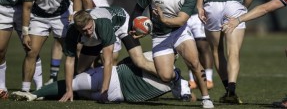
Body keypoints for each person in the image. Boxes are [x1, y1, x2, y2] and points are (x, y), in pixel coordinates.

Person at [129, 0, 214, 108]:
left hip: (179, 32)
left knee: (194, 62)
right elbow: (136, 11)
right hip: (159, 36)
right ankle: (177, 79)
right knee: (165, 75)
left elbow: (181, 21)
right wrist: (135, 29)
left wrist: (163, 19)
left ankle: (206, 98)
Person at [59, 6, 156, 102]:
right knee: (80, 70)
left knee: (139, 61)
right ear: (77, 28)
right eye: (84, 30)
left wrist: (104, 91)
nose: (88, 32)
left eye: (89, 28)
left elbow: (108, 61)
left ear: (92, 20)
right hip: (98, 32)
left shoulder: (102, 24)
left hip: (121, 23)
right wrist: (69, 90)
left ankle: (169, 77)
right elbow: (69, 61)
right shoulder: (72, 31)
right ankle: (101, 79)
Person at [10, 52, 192, 103]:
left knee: (73, 86)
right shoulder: (175, 76)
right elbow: (184, 96)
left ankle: (37, 94)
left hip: (115, 83)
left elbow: (131, 60)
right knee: (76, 90)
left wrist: (183, 89)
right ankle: (37, 95)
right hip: (116, 93)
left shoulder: (157, 59)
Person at [20, 0, 82, 93]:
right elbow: (27, 8)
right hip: (39, 18)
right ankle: (24, 90)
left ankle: (78, 86)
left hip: (61, 16)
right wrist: (25, 32)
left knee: (72, 51)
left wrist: (76, 13)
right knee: (31, 52)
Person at [44, 0, 112, 85]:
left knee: (91, 53)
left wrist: (85, 18)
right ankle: (98, 84)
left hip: (100, 21)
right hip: (108, 18)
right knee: (102, 58)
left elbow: (87, 2)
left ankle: (93, 85)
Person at [184, 0, 214, 90]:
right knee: (189, 50)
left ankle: (208, 79)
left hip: (197, 17)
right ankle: (192, 80)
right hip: (184, 17)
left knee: (203, 47)